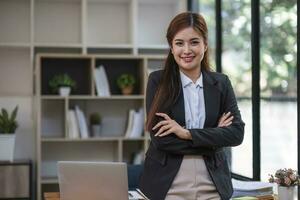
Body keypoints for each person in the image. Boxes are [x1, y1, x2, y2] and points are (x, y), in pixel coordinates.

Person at [138, 12, 245, 200]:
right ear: (171, 47)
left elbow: (236, 134)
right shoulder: (158, 81)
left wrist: (186, 133)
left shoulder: (221, 83)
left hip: (213, 185)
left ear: (205, 44)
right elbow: (162, 140)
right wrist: (214, 137)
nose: (186, 50)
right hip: (168, 186)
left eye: (194, 42)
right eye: (179, 43)